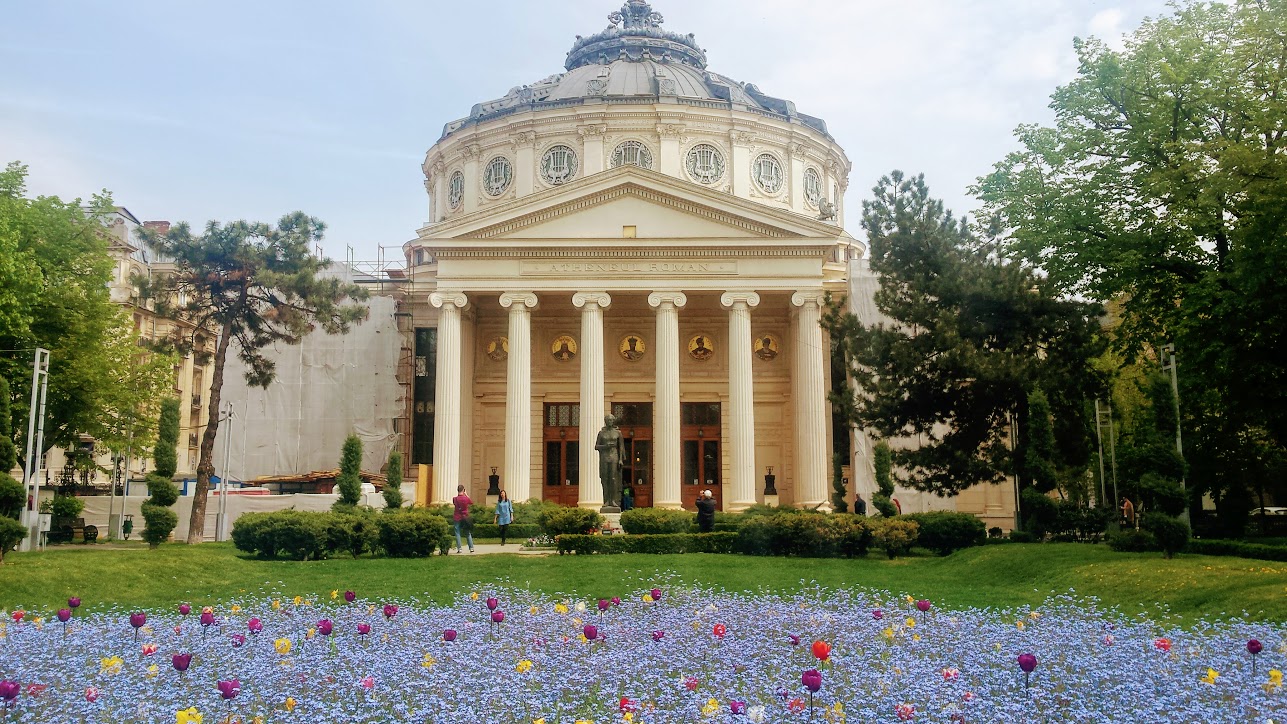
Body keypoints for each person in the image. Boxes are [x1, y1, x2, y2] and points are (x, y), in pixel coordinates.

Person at [595, 414, 626, 509]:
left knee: (613, 479)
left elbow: (621, 447)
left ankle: (613, 501)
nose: (610, 422)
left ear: (613, 421)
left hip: (614, 457)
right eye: (608, 420)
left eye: (611, 420)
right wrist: (605, 447)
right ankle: (606, 501)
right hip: (604, 457)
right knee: (605, 479)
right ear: (605, 421)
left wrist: (621, 459)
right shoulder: (601, 433)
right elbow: (596, 446)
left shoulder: (618, 433)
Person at [452, 484, 474, 553]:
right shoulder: (466, 498)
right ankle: (471, 548)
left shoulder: (454, 499)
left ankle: (459, 548)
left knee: (457, 532)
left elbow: (454, 504)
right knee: (467, 533)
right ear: (463, 490)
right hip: (465, 517)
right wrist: (466, 495)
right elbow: (471, 502)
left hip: (457, 517)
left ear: (457, 490)